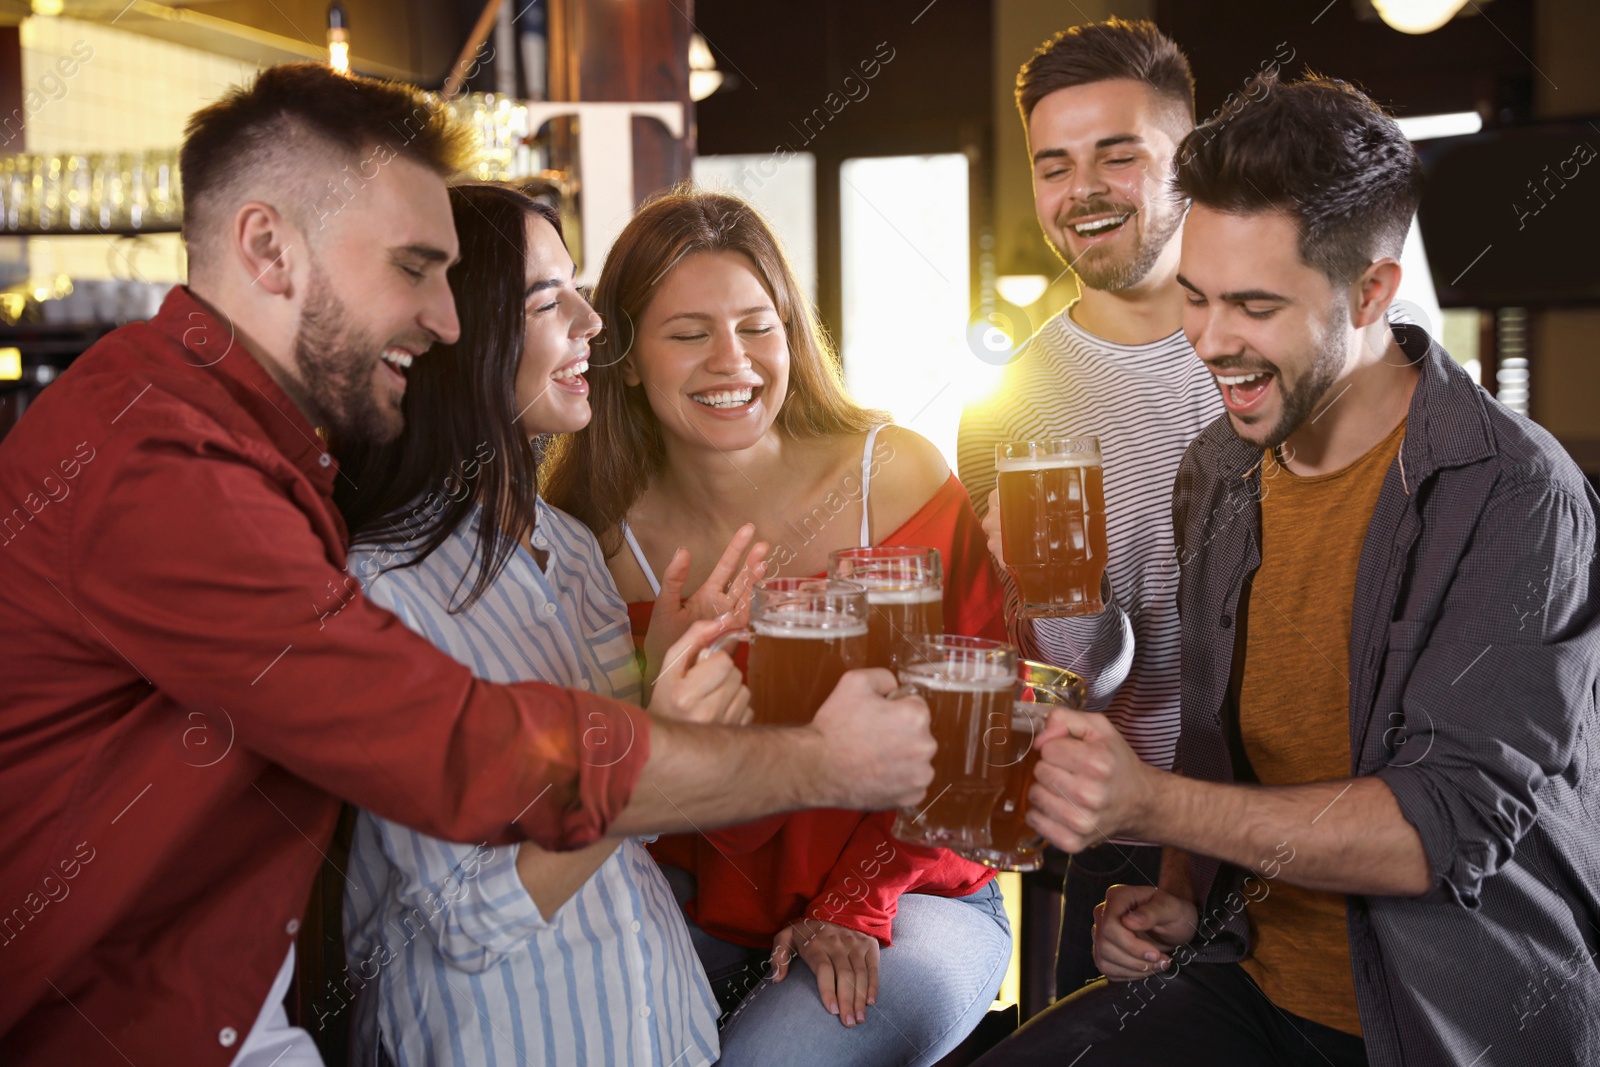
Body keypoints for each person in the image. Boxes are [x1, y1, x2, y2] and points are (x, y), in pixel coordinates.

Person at [0, 65, 938, 1066]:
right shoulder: (167, 463)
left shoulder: (294, 462)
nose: (444, 319)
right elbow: (448, 747)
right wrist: (819, 761)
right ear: (267, 248)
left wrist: (651, 677)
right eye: (412, 268)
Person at [978, 73, 1600, 1067]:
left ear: (1370, 290)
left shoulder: (1518, 494)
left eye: (1255, 306)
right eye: (1194, 295)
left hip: (1445, 1023)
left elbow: (1432, 830)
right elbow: (1211, 737)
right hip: (1246, 979)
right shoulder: (1220, 466)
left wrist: (1149, 807)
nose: (1210, 340)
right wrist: (1179, 890)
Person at [543, 189, 1013, 1067]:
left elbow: (980, 733)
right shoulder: (588, 535)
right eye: (689, 333)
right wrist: (654, 698)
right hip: (696, 907)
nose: (735, 361)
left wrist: (853, 902)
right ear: (629, 359)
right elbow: (597, 787)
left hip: (915, 898)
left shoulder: (894, 474)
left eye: (759, 326)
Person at [334, 184, 766, 1066]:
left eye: (577, 287)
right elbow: (468, 916)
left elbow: (622, 825)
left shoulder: (567, 547)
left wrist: (657, 673)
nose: (591, 321)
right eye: (547, 301)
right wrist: (660, 738)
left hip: (660, 1032)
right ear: (458, 336)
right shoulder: (384, 592)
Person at [957, 18, 1223, 996]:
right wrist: (1028, 603)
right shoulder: (1009, 406)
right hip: (1116, 836)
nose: (1082, 191)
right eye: (1054, 164)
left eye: (1118, 155)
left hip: (1292, 815)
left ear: (1187, 161)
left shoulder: (1263, 358)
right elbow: (1054, 678)